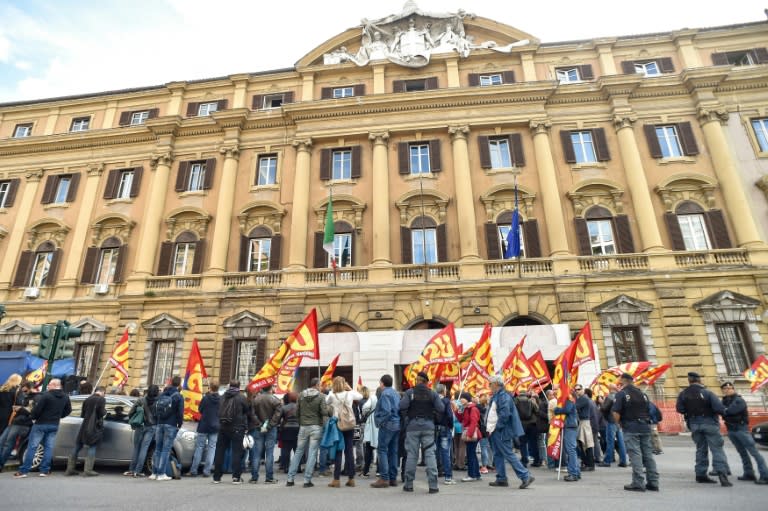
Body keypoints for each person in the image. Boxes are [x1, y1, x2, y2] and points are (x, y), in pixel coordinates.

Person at [676, 371, 731, 486]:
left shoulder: (683, 394)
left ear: (689, 381)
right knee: (717, 449)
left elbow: (680, 409)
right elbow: (719, 408)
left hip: (694, 424)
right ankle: (722, 475)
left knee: (700, 449)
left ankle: (700, 474)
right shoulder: (707, 393)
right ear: (699, 380)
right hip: (709, 423)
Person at [14, 378, 71, 478]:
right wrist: (59, 416)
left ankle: (24, 471)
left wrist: (33, 418)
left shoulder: (46, 396)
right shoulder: (65, 397)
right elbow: (68, 410)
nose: (48, 386)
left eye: (49, 384)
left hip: (41, 423)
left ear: (54, 385)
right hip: (54, 424)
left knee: (32, 447)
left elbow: (37, 410)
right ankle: (44, 470)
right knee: (49, 447)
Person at [611, 373, 659, 492]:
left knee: (635, 455)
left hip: (631, 427)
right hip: (645, 426)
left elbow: (616, 412)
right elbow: (650, 410)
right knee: (648, 455)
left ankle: (638, 482)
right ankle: (653, 482)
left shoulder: (622, 394)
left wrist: (618, 424)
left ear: (623, 381)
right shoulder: (642, 394)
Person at [398, 371, 443, 494]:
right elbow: (441, 408)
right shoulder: (432, 393)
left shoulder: (409, 393)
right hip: (428, 426)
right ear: (426, 381)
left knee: (412, 455)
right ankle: (433, 486)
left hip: (412, 427)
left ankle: (408, 485)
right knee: (430, 455)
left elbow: (401, 406)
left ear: (417, 381)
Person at [486, 375, 534, 489]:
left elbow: (505, 414)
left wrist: (497, 427)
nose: (489, 386)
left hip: (501, 431)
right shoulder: (498, 395)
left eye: (490, 384)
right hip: (495, 430)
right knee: (498, 454)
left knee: (508, 454)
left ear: (496, 384)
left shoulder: (503, 396)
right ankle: (501, 478)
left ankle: (525, 476)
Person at [286, 377, 330, 488]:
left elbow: (297, 412)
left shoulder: (301, 395)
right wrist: (330, 409)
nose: (320, 387)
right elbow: (324, 412)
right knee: (312, 453)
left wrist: (301, 422)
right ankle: (307, 480)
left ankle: (290, 479)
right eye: (320, 385)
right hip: (316, 426)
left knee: (298, 452)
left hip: (303, 426)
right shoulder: (320, 396)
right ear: (317, 385)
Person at [721, 381, 768, 484]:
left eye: (730, 388)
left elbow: (730, 411)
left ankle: (765, 475)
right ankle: (749, 473)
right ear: (723, 391)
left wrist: (724, 411)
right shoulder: (724, 401)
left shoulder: (739, 400)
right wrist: (724, 411)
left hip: (741, 429)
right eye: (725, 389)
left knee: (754, 453)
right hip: (731, 430)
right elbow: (721, 411)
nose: (728, 390)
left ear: (733, 389)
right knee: (742, 452)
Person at [326, 376, 363, 488]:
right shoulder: (350, 394)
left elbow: (326, 401)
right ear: (344, 384)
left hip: (337, 424)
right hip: (349, 424)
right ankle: (351, 479)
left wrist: (332, 391)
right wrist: (350, 388)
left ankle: (336, 479)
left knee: (338, 451)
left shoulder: (332, 395)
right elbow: (360, 396)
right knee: (349, 451)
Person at [212, 380, 250, 484]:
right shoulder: (241, 397)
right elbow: (247, 410)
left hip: (223, 427)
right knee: (236, 452)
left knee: (220, 451)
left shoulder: (222, 396)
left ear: (229, 386)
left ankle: (216, 477)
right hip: (237, 427)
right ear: (239, 386)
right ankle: (236, 477)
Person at [67, 384, 106, 477]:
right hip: (94, 427)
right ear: (103, 392)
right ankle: (88, 470)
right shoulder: (101, 399)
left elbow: (83, 414)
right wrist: (105, 412)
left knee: (78, 446)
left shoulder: (87, 399)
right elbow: (101, 413)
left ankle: (70, 469)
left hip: (84, 425)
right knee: (92, 446)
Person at [150, 375, 184, 481]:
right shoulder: (178, 396)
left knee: (158, 448)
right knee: (166, 449)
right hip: (171, 424)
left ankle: (154, 473)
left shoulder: (163, 393)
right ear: (179, 384)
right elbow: (180, 413)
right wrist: (179, 424)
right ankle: (161, 473)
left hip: (160, 423)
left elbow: (155, 408)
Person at [370, 374, 400, 488]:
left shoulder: (385, 394)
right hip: (397, 424)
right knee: (393, 452)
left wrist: (380, 421)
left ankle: (384, 478)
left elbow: (387, 411)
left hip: (388, 424)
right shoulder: (395, 393)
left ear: (382, 383)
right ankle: (393, 478)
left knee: (382, 450)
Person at [186, 381, 220, 477]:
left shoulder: (205, 398)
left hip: (204, 425)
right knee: (212, 449)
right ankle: (207, 471)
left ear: (210, 388)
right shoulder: (221, 399)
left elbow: (200, 410)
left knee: (199, 448)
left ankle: (194, 470)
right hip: (215, 426)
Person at [249, 384, 282, 484]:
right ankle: (269, 477)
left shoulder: (255, 400)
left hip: (258, 428)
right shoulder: (275, 400)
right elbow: (278, 415)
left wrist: (259, 424)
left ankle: (254, 477)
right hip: (271, 429)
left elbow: (252, 414)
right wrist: (269, 425)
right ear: (271, 388)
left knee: (256, 453)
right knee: (270, 453)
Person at [126, 384, 159, 477]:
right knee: (144, 448)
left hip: (140, 426)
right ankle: (138, 471)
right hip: (152, 427)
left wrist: (133, 422)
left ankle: (131, 469)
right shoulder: (158, 402)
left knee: (136, 448)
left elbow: (131, 412)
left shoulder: (140, 400)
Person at [0, 388, 34, 469]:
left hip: (21, 423)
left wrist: (20, 409)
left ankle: (1, 464)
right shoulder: (22, 395)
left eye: (24, 389)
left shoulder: (35, 398)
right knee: (2, 441)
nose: (23, 390)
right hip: (14, 421)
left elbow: (31, 412)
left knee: (7, 443)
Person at [455, 392, 482, 482]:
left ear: (467, 399)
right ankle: (476, 474)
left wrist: (469, 434)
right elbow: (461, 420)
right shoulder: (466, 408)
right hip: (471, 433)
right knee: (472, 454)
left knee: (471, 455)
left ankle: (471, 475)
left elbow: (474, 422)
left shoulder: (472, 409)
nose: (461, 400)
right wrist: (457, 411)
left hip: (472, 433)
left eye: (463, 398)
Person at [554, 389, 580, 482]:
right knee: (572, 450)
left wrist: (557, 410)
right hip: (571, 426)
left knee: (571, 450)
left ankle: (573, 473)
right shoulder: (570, 400)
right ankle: (576, 472)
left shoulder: (569, 400)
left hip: (570, 426)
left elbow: (567, 410)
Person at [599, 384, 627, 467]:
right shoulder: (620, 397)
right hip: (619, 422)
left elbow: (604, 409)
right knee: (621, 442)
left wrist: (601, 403)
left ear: (609, 388)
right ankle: (623, 460)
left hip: (611, 421)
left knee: (610, 441)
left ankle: (607, 461)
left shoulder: (610, 397)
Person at [514, 390, 540, 467]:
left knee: (523, 443)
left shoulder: (516, 401)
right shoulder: (530, 400)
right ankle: (537, 460)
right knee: (534, 443)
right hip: (532, 424)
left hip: (521, 424)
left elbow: (514, 413)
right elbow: (537, 410)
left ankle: (524, 461)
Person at [435, 384, 455, 484]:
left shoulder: (433, 400)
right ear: (444, 391)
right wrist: (451, 426)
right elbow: (450, 415)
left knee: (435, 452)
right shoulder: (446, 401)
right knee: (445, 452)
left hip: (435, 428)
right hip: (444, 428)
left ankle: (435, 474)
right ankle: (448, 477)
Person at [573, 384, 595, 471]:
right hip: (583, 422)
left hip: (584, 422)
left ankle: (589, 464)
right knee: (584, 444)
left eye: (578, 389)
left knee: (586, 444)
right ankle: (587, 463)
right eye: (576, 390)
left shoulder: (583, 399)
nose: (577, 391)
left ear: (582, 390)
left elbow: (574, 407)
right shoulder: (583, 398)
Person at [278, 391, 299, 474]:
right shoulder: (300, 407)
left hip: (286, 429)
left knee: (286, 450)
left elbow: (279, 418)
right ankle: (298, 467)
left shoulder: (284, 408)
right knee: (297, 449)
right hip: (298, 429)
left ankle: (286, 467)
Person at [360, 386, 378, 478]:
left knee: (369, 448)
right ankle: (380, 470)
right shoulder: (388, 397)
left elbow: (365, 408)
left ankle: (366, 470)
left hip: (372, 425)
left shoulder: (373, 398)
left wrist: (365, 414)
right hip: (383, 425)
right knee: (381, 450)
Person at [0, 373, 23, 438]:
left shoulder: (2, 388)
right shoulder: (17, 390)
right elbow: (19, 404)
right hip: (9, 414)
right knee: (3, 433)